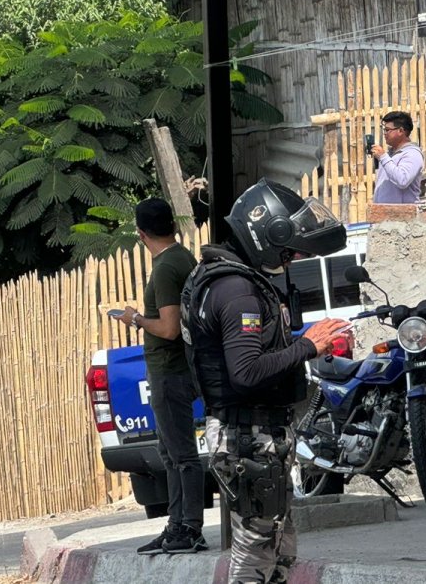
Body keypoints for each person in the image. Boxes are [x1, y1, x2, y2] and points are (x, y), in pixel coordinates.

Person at [181, 179, 352, 584]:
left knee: (278, 548)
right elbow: (246, 372)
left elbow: (252, 356)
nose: (292, 259)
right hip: (247, 435)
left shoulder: (222, 277)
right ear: (269, 236)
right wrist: (307, 346)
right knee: (256, 550)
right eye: (289, 250)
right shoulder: (237, 290)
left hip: (253, 433)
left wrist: (307, 345)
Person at [118, 199, 203, 555]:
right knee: (171, 452)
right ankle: (177, 524)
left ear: (141, 233)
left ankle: (189, 528)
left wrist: (134, 319)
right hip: (177, 369)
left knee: (181, 454)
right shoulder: (183, 257)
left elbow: (168, 328)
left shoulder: (167, 266)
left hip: (170, 371)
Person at [371, 111, 424, 204]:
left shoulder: (412, 154)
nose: (385, 133)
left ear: (400, 131)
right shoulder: (390, 155)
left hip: (403, 216)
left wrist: (383, 157)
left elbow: (403, 180)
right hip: (384, 215)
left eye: (387, 130)